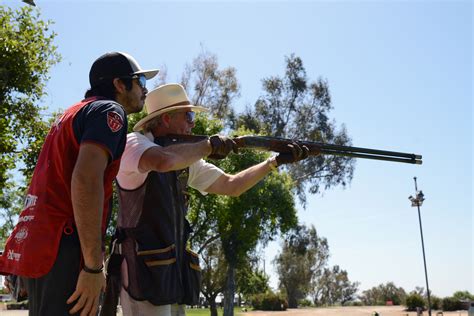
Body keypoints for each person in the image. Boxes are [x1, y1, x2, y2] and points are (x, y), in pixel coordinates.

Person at [106, 83, 312, 316]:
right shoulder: (135, 143)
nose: (192, 123)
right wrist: (208, 145)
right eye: (189, 115)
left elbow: (232, 185)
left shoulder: (185, 159)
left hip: (171, 277)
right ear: (166, 119)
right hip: (140, 275)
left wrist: (273, 163)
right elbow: (163, 161)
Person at [0, 51, 159, 316]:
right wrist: (93, 267)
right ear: (120, 84)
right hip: (65, 247)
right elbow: (86, 179)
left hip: (44, 245)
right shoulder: (111, 111)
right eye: (140, 81)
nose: (145, 89)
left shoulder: (71, 114)